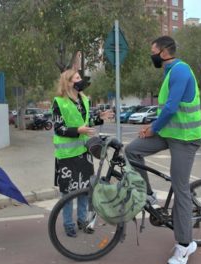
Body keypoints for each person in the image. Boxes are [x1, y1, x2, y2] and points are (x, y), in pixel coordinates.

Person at [124, 36, 201, 264]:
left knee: (180, 190)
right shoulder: (168, 71)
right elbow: (166, 111)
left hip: (186, 139)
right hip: (170, 134)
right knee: (132, 150)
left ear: (164, 52)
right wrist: (152, 127)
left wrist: (153, 129)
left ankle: (185, 246)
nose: (152, 56)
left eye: (153, 52)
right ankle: (148, 194)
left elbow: (171, 107)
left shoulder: (180, 71)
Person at [52, 69, 113, 237]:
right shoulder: (59, 102)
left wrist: (100, 117)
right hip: (67, 155)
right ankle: (68, 224)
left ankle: (82, 220)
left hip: (84, 152)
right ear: (68, 82)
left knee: (86, 189)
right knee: (68, 193)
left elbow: (87, 122)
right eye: (77, 78)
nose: (81, 80)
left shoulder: (84, 99)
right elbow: (58, 128)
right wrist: (78, 130)